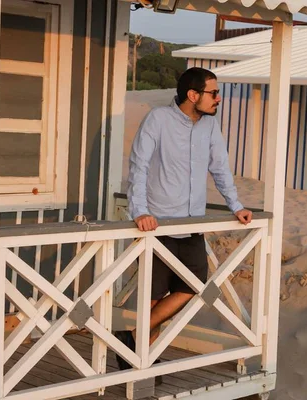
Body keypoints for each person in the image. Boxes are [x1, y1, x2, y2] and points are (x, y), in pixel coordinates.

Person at [115, 67, 253, 374]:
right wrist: (139, 211)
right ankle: (142, 361)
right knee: (154, 295)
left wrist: (237, 205)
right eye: (213, 93)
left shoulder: (210, 127)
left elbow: (220, 169)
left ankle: (133, 338)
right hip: (158, 224)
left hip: (192, 225)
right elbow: (138, 166)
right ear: (193, 95)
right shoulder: (158, 120)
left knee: (193, 285)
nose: (219, 99)